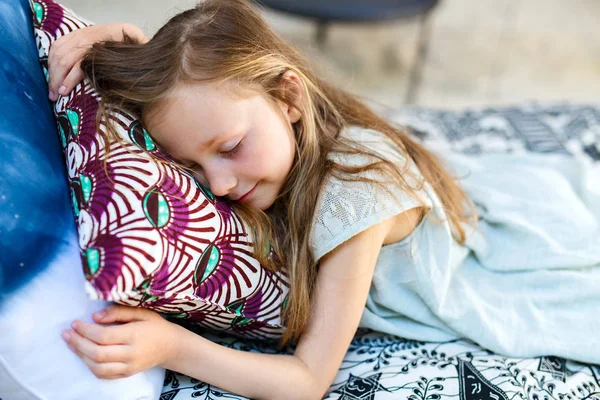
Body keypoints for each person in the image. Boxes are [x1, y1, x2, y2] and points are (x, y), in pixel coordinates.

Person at [48, 0, 600, 398]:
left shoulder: (351, 204)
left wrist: (173, 347)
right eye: (190, 166)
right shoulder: (265, 130)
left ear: (288, 97)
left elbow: (308, 380)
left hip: (498, 259)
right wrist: (120, 39)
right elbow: (190, 94)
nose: (215, 186)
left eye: (232, 148)